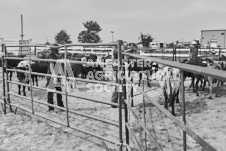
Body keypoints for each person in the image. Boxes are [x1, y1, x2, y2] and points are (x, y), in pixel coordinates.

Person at [46, 44, 64, 111]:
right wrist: (55, 76)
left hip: (56, 75)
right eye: (57, 49)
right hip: (52, 76)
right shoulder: (52, 55)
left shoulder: (56, 56)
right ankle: (51, 108)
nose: (59, 50)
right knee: (51, 92)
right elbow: (51, 66)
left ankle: (60, 106)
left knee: (58, 91)